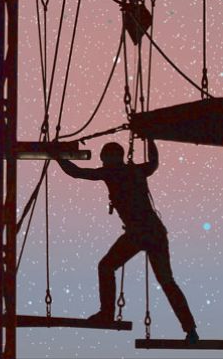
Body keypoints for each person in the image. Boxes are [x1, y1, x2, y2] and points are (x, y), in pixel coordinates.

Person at [56, 138, 198, 343]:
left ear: (109, 158)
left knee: (106, 267)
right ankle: (190, 329)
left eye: (104, 159)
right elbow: (155, 162)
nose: (103, 163)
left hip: (138, 233)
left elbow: (77, 172)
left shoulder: (110, 172)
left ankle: (106, 313)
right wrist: (149, 139)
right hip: (154, 232)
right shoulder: (137, 170)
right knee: (167, 281)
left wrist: (56, 156)